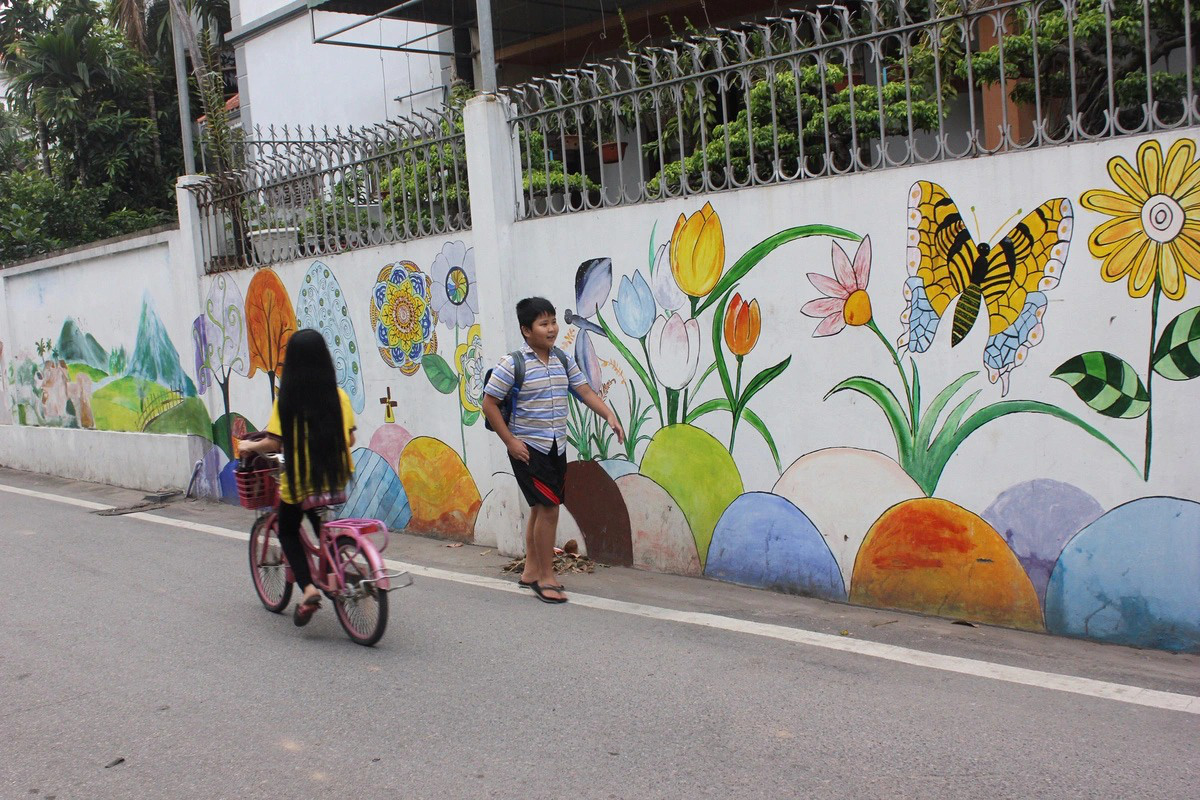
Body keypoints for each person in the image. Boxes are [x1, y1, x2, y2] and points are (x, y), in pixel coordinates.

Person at [482, 297, 624, 604]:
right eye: (543, 324)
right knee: (549, 509)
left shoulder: (561, 359)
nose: (551, 329)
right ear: (526, 330)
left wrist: (609, 415)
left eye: (553, 322)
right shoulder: (512, 364)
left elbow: (584, 391)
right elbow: (489, 403)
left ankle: (531, 572)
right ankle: (546, 577)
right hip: (527, 449)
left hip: (556, 446)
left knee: (540, 508)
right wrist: (510, 441)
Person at [239, 329, 357, 626]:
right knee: (319, 521)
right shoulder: (339, 397)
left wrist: (248, 445)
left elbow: (274, 443)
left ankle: (307, 589)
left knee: (288, 528)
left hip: (301, 483)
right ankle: (334, 562)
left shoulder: (287, 401)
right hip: (337, 478)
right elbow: (351, 439)